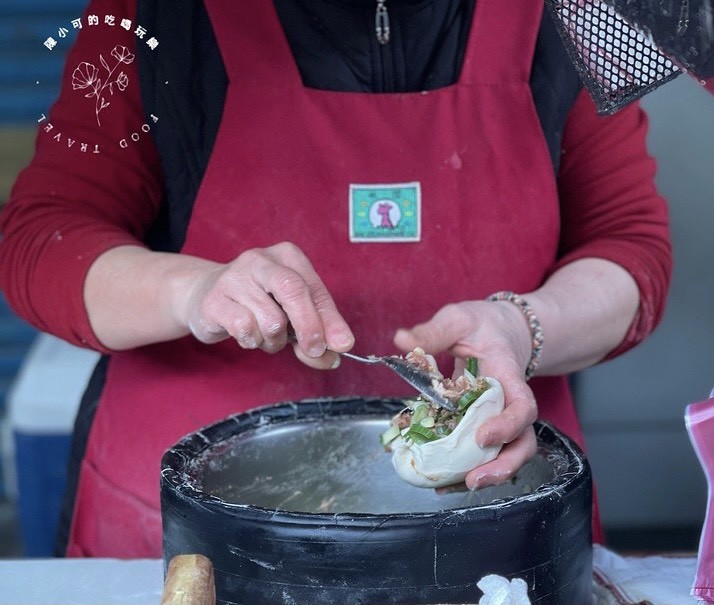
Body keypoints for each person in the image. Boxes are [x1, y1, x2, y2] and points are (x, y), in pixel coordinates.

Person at [0, 0, 671, 558]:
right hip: (189, 542)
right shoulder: (152, 13)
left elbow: (631, 247)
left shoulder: (571, 13)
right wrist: (193, 291)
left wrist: (523, 327)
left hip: (497, 526)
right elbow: (39, 238)